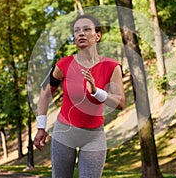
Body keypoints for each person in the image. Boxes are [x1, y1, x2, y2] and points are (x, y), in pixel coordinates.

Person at [34, 14, 125, 178]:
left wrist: (96, 92)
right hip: (64, 132)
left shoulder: (112, 67)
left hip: (94, 135)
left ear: (98, 35)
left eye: (86, 29)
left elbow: (120, 103)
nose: (81, 33)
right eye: (76, 31)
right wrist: (41, 127)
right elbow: (45, 93)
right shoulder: (63, 64)